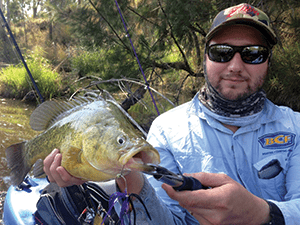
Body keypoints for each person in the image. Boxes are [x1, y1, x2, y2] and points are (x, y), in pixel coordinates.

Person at [43, 3, 300, 225]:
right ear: (205, 57)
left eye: (252, 54)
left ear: (268, 61)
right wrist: (128, 173)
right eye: (221, 52)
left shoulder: (296, 127)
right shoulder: (167, 129)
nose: (235, 66)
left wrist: (264, 214)